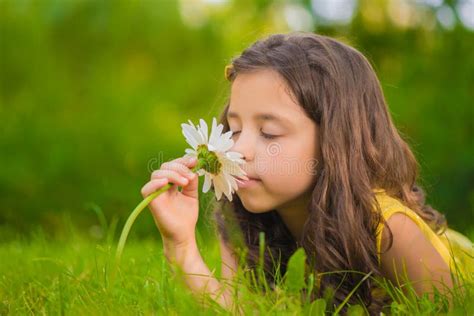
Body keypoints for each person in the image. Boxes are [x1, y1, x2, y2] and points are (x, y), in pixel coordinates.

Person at [140, 32, 473, 314]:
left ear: (335, 142)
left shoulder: (389, 230)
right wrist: (181, 244)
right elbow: (237, 309)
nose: (237, 150)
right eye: (234, 129)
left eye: (269, 133)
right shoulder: (245, 217)